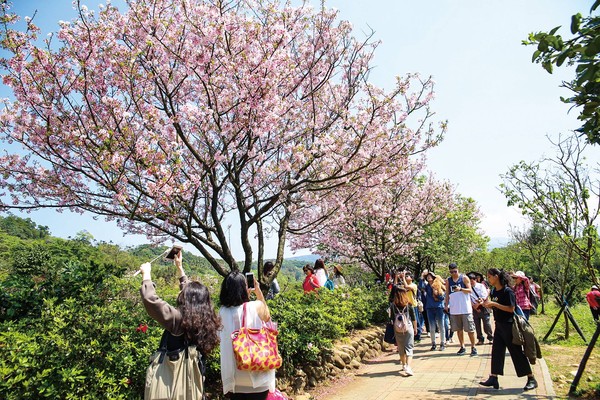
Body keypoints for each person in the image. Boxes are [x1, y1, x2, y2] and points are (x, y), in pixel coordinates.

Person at [139, 250, 221, 364]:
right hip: (196, 374)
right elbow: (193, 297)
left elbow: (150, 299)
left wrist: (146, 275)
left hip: (175, 376)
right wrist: (180, 267)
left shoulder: (178, 319)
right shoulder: (207, 320)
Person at [219, 271, 276, 400]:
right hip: (258, 374)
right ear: (244, 288)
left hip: (234, 378)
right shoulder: (256, 306)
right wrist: (258, 292)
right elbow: (267, 317)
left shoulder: (222, 311)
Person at [480, 268, 538, 391]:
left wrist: (494, 305)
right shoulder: (494, 291)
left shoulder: (508, 291)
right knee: (496, 351)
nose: (488, 279)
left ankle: (531, 378)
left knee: (516, 352)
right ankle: (494, 377)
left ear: (496, 276)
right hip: (499, 325)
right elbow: (494, 306)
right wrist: (486, 304)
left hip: (509, 326)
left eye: (489, 276)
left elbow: (511, 309)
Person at [444, 263, 477, 356]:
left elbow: (470, 290)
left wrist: (461, 289)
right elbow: (447, 294)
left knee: (470, 329)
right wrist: (446, 305)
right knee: (458, 329)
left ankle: (473, 347)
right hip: (455, 309)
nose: (453, 273)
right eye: (451, 272)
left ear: (458, 269)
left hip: (465, 309)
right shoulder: (448, 281)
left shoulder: (464, 278)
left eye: (455, 271)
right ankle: (462, 346)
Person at [390, 285, 417, 376]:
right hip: (408, 328)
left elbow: (392, 318)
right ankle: (408, 367)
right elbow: (414, 318)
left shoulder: (393, 306)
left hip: (397, 329)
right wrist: (415, 328)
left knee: (401, 348)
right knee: (409, 348)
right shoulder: (408, 305)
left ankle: (404, 365)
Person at [468, 272, 493, 345]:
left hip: (483, 306)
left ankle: (490, 337)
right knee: (477, 324)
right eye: (469, 281)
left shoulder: (481, 286)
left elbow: (484, 295)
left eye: (472, 280)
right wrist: (474, 306)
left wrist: (478, 304)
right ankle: (480, 339)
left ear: (475, 279)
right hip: (474, 308)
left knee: (486, 323)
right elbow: (468, 298)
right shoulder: (468, 288)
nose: (471, 282)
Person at [397, 270, 422, 341]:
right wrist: (397, 277)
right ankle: (411, 336)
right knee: (408, 321)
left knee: (415, 320)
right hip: (406, 306)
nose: (406, 277)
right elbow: (396, 287)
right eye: (406, 276)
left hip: (413, 305)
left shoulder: (414, 285)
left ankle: (418, 336)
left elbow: (406, 286)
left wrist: (403, 276)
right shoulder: (403, 285)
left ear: (411, 278)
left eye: (408, 276)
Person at [424, 272, 446, 351]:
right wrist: (422, 276)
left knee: (441, 325)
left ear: (433, 277)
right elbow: (420, 286)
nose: (429, 277)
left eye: (430, 276)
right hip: (429, 308)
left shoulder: (438, 285)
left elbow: (442, 297)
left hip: (439, 307)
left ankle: (442, 343)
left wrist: (437, 294)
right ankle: (433, 343)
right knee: (432, 327)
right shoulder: (427, 286)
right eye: (427, 276)